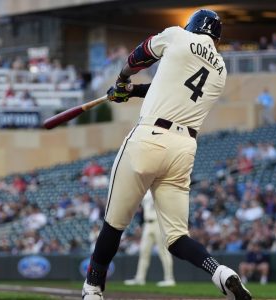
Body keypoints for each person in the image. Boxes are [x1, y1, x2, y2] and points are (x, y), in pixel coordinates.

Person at [81, 9, 252, 300]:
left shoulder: (177, 35)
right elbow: (170, 87)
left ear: (193, 25)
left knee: (114, 223)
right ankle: (220, 272)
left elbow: (139, 56)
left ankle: (94, 287)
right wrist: (131, 91)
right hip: (183, 149)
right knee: (177, 238)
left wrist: (122, 80)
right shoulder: (221, 70)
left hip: (148, 138)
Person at [124, 191, 175, 287]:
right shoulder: (145, 191)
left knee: (163, 252)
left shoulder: (159, 188)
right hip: (147, 224)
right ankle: (140, 278)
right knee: (144, 252)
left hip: (158, 223)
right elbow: (141, 208)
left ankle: (169, 279)